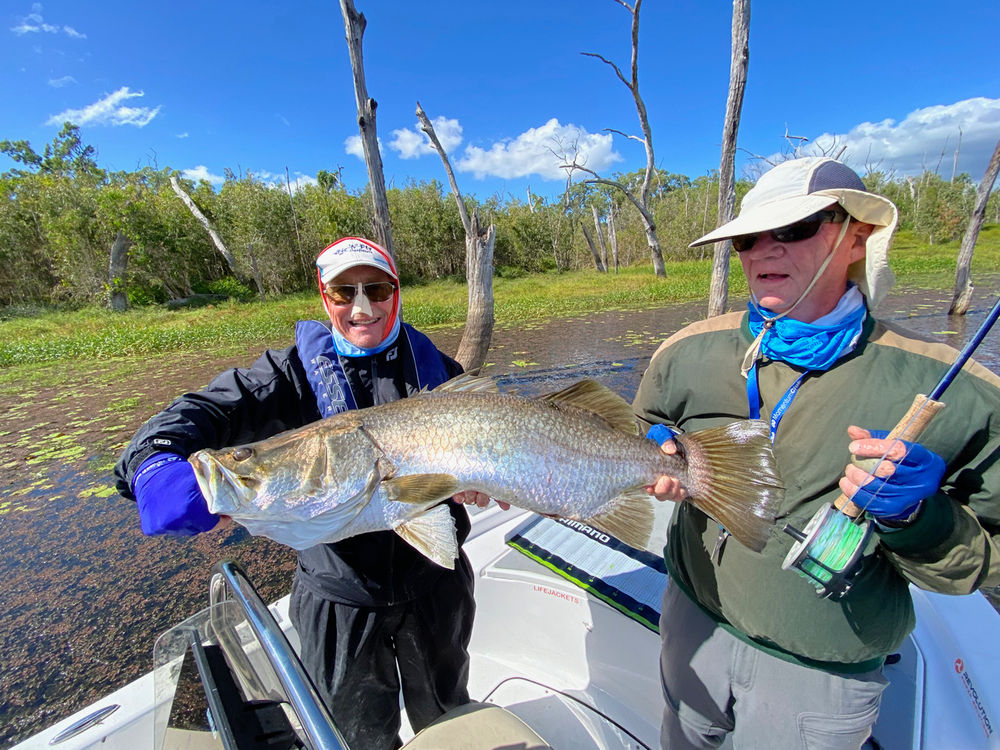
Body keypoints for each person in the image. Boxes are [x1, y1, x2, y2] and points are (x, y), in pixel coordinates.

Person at [634, 157, 1000, 749]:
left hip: (821, 671)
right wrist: (650, 442)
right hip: (691, 622)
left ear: (857, 235)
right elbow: (642, 419)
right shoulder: (686, 352)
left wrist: (919, 519)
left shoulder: (958, 388)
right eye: (747, 239)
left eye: (796, 229)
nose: (763, 252)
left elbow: (990, 559)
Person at [114, 236, 491, 750]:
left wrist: (474, 488)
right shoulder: (286, 375)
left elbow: (472, 474)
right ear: (324, 297)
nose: (363, 307)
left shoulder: (440, 372)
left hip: (437, 585)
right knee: (355, 736)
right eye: (344, 292)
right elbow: (196, 413)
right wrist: (153, 462)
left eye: (377, 289)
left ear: (396, 292)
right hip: (339, 598)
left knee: (452, 719)